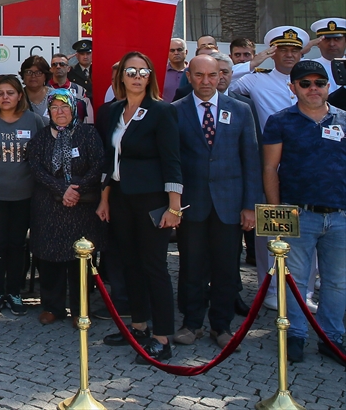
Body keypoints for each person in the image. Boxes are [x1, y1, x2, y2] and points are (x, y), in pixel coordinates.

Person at [95, 52, 183, 363]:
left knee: (154, 267)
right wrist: (105, 198)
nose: (135, 76)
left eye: (142, 71)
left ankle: (162, 337)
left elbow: (173, 160)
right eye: (130, 71)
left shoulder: (162, 111)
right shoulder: (114, 111)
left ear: (150, 76)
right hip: (120, 197)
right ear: (121, 77)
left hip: (152, 200)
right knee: (128, 264)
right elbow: (109, 159)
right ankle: (138, 327)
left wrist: (174, 207)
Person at [171, 54, 262, 349]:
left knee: (226, 268)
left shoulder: (241, 109)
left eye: (213, 75)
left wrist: (250, 206)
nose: (207, 81)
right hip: (191, 204)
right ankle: (192, 322)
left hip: (230, 204)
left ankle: (221, 325)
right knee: (191, 267)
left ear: (221, 76)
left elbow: (251, 160)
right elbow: (171, 162)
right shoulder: (175, 111)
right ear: (189, 76)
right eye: (199, 75)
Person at [261, 60, 346, 365]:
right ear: (293, 87)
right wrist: (276, 212)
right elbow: (270, 167)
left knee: (337, 281)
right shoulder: (280, 121)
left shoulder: (344, 120)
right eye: (305, 83)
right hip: (298, 214)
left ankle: (331, 337)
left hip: (340, 215)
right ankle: (295, 334)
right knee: (294, 279)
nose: (313, 89)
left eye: (319, 83)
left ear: (328, 86)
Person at [27, 90, 106, 325]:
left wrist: (76, 188)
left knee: (79, 260)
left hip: (80, 208)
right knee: (50, 259)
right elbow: (35, 167)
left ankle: (80, 308)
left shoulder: (88, 133)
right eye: (54, 108)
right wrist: (62, 189)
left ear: (73, 109)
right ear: (48, 111)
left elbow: (98, 164)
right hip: (49, 207)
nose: (60, 112)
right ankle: (53, 307)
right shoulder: (41, 137)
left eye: (65, 107)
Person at [0, 74, 47, 314]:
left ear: (19, 96)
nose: (5, 97)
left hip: (24, 195)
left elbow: (42, 157)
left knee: (17, 245)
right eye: (0, 93)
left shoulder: (34, 121)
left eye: (10, 93)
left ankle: (14, 291)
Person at [49, 53, 92, 123]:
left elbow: (86, 116)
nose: (58, 67)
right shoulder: (44, 90)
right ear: (51, 69)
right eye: (54, 64)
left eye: (62, 64)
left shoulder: (80, 90)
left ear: (68, 69)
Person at [308, 17, 345, 92]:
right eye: (327, 39)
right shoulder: (310, 66)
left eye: (337, 39)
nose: (332, 44)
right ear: (318, 42)